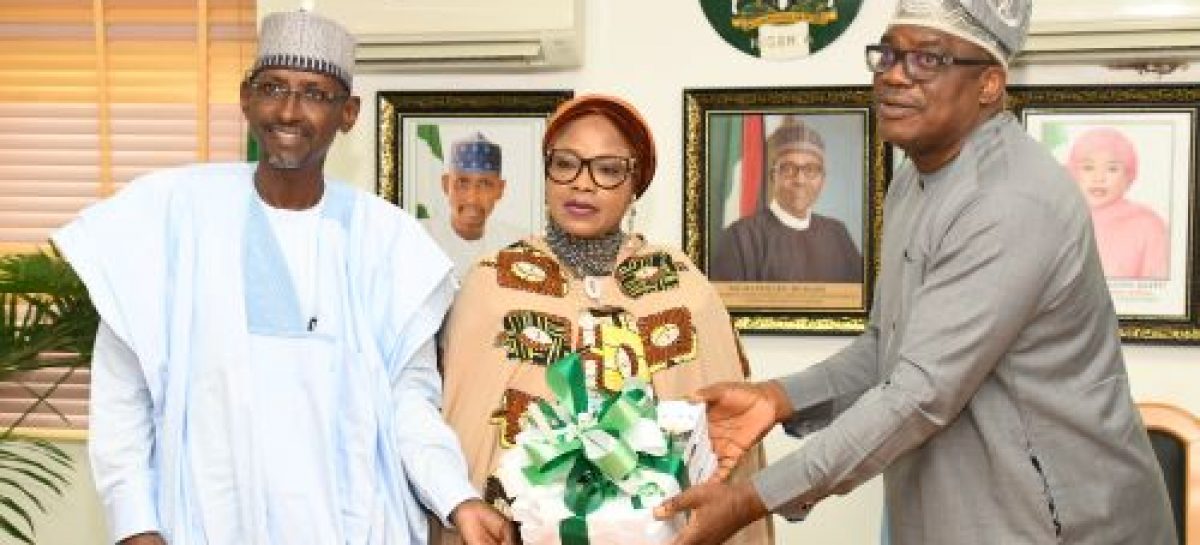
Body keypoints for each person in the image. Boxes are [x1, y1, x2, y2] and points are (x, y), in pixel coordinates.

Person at [654, 0, 1176, 543]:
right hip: (958, 507)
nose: (895, 76)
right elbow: (888, 346)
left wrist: (749, 500)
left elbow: (919, 393)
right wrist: (777, 397)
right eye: (888, 54)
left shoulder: (1011, 200)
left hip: (1061, 522)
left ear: (990, 84)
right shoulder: (913, 178)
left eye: (928, 59)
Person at [53, 11, 512, 545]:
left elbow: (410, 402)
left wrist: (457, 497)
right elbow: (121, 395)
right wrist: (136, 525)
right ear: (246, 98)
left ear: (348, 113)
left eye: (315, 93)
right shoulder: (169, 216)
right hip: (206, 523)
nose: (289, 111)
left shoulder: (390, 243)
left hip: (355, 526)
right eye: (273, 88)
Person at [434, 94, 771, 545]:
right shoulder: (492, 286)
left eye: (608, 169)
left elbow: (721, 451)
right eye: (566, 163)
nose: (583, 184)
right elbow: (465, 438)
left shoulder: (682, 289)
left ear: (636, 185)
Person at [710, 116, 862, 282]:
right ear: (773, 176)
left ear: (823, 179)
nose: (800, 180)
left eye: (811, 170)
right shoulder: (741, 237)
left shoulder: (838, 234)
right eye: (789, 169)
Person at [1065, 126, 1169, 279]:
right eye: (1088, 168)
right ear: (1073, 173)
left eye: (1112, 169)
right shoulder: (1058, 221)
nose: (1098, 178)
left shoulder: (1149, 225)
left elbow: (1163, 295)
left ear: (1129, 176)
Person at [443, 132, 507, 242]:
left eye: (484, 185)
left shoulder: (516, 245)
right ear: (445, 185)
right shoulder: (417, 239)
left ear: (500, 190)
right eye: (462, 184)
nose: (472, 199)